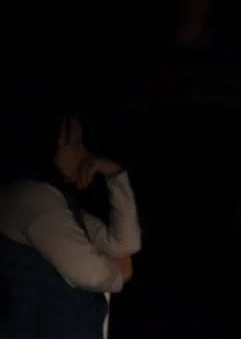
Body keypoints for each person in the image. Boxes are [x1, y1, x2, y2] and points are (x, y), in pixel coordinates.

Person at [0, 112, 142, 339]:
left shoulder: (59, 203)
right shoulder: (31, 198)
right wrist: (118, 273)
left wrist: (114, 174)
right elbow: (90, 273)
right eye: (75, 144)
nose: (84, 153)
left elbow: (126, 243)